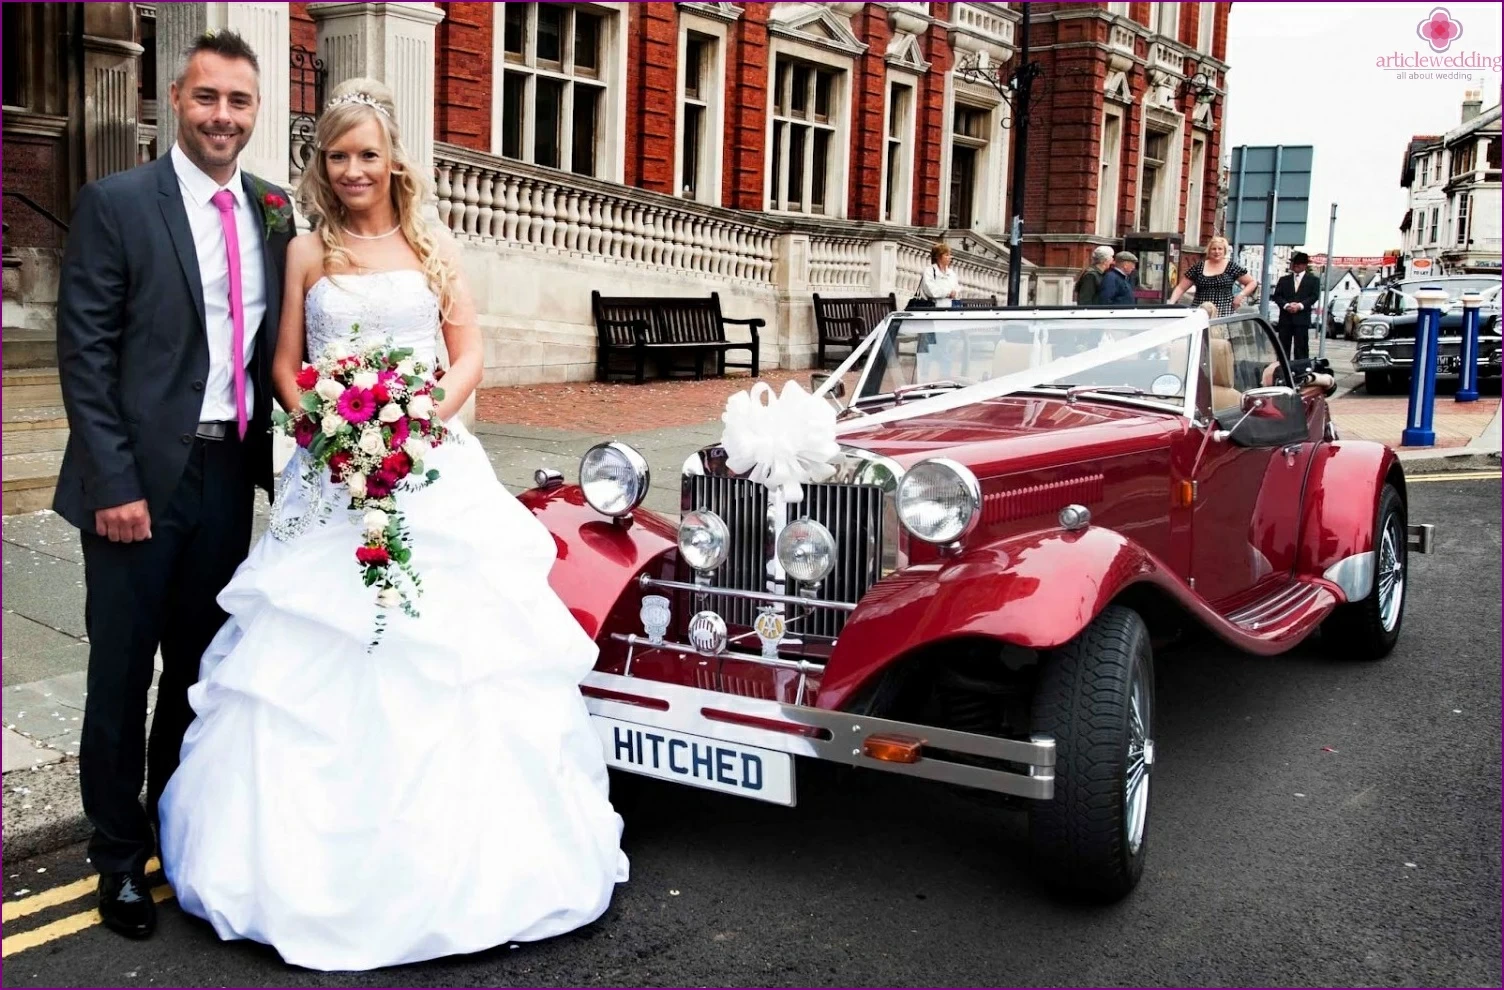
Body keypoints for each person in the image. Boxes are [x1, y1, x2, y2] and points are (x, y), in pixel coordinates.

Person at [156, 79, 628, 971]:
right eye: (337, 156)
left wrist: (421, 422)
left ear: (393, 158)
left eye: (366, 153)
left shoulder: (432, 243)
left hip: (428, 466)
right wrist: (326, 430)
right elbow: (287, 363)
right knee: (320, 655)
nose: (352, 170)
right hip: (334, 472)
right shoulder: (305, 251)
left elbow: (470, 351)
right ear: (321, 166)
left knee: (450, 657)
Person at [53, 30, 292, 940]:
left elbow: (286, 348)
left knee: (197, 670)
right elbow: (86, 354)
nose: (222, 117)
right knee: (120, 674)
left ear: (255, 110)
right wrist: (115, 482)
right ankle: (115, 860)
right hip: (135, 484)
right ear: (173, 100)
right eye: (206, 99)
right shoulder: (117, 202)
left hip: (229, 469)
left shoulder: (273, 209)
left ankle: (171, 834)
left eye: (238, 102)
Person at [1168, 235, 1257, 315]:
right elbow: (1181, 288)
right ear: (1209, 251)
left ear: (1225, 251)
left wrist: (1240, 295)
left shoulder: (1232, 267)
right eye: (1213, 249)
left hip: (1223, 314)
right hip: (1200, 313)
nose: (1217, 252)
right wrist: (1170, 303)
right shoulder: (1198, 267)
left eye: (1220, 249)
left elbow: (1252, 282)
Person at [1272, 250, 1321, 359]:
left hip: (1302, 320)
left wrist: (1300, 306)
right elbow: (1277, 296)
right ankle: (1283, 370)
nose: (1296, 265)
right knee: (1283, 348)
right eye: (1294, 263)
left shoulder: (1313, 280)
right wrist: (1287, 305)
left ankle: (1301, 370)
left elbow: (1314, 296)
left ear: (1305, 265)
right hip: (1285, 319)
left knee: (1301, 347)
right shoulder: (1284, 280)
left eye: (1299, 263)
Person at [918, 242, 961, 306]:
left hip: (950, 309)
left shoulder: (951, 273)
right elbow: (930, 290)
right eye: (946, 255)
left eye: (950, 255)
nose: (950, 257)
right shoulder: (929, 271)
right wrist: (948, 293)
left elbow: (957, 289)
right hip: (933, 309)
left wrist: (955, 293)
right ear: (938, 256)